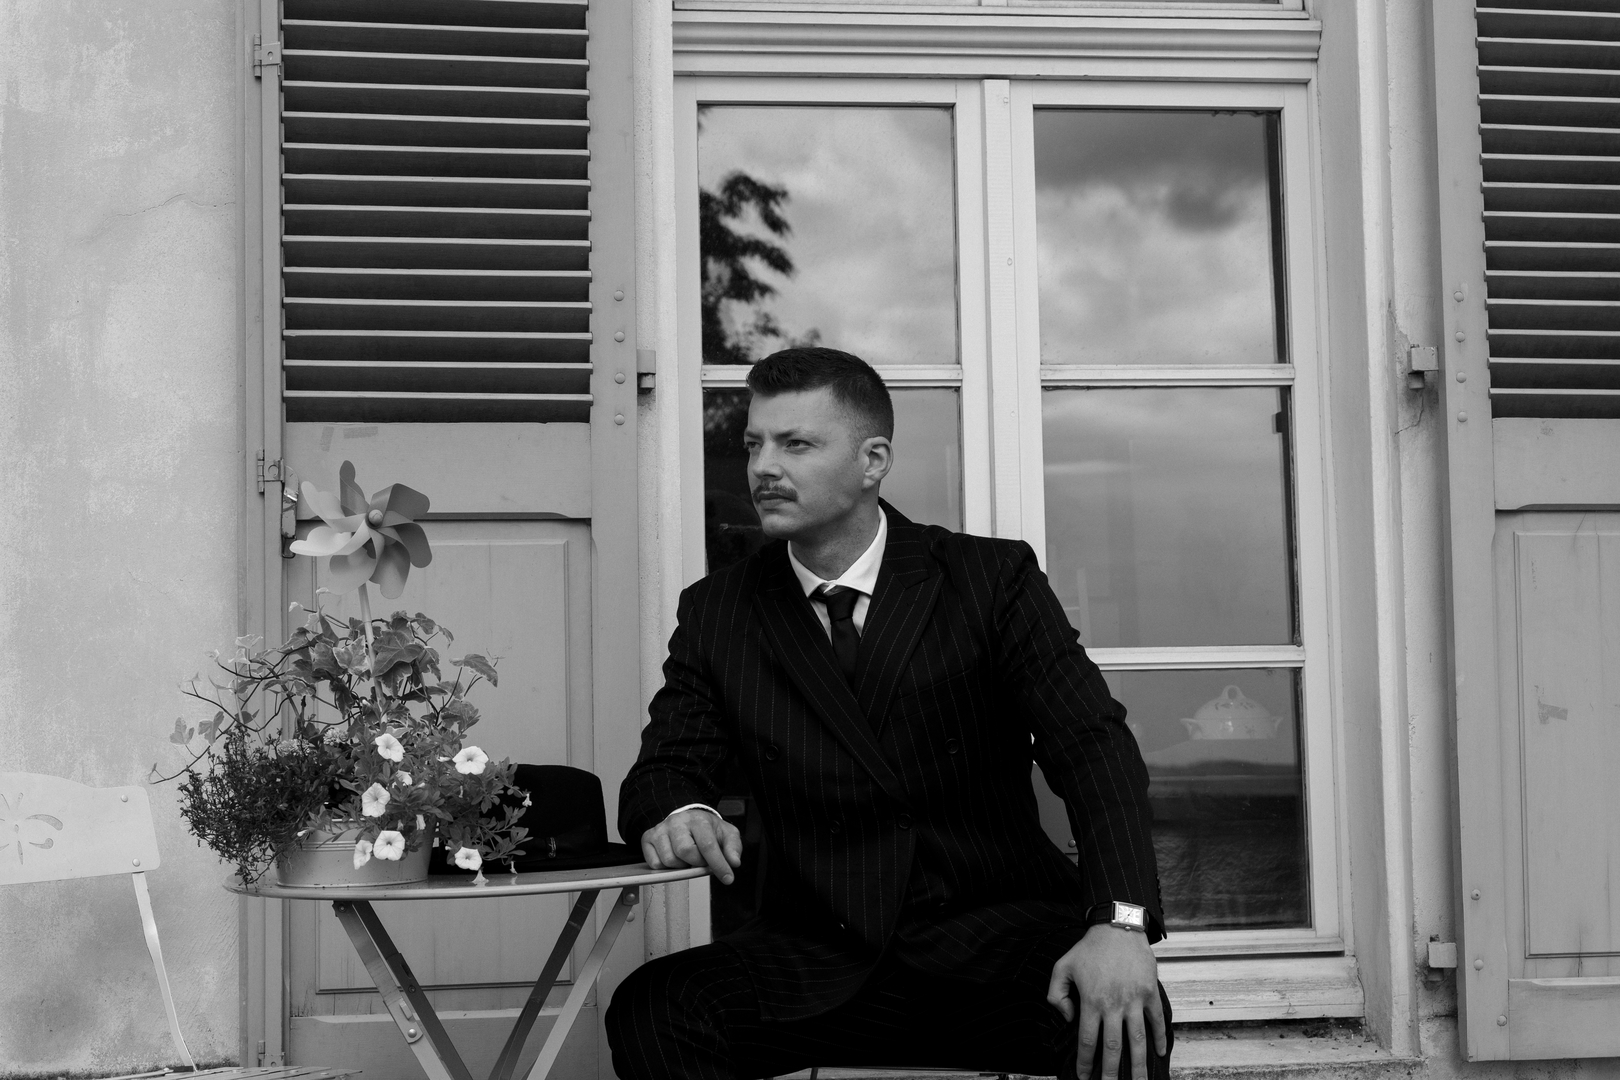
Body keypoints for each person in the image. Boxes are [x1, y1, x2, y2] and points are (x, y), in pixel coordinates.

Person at [608, 347, 1171, 1080]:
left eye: (795, 444)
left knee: (1122, 1016)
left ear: (873, 460)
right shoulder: (720, 610)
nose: (763, 467)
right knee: (654, 1011)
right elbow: (663, 770)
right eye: (753, 444)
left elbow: (1093, 748)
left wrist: (1121, 924)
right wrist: (679, 810)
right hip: (816, 955)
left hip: (995, 942)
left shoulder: (988, 579)